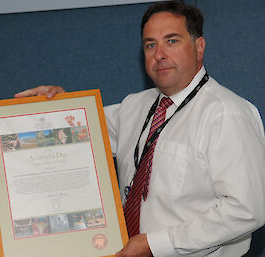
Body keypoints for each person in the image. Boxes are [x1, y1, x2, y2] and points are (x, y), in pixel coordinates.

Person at [15, 1, 265, 256]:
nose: (160, 54)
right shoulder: (134, 107)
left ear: (199, 48)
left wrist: (155, 244)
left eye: (172, 41)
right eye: (150, 44)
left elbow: (247, 209)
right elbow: (78, 130)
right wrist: (53, 105)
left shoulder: (227, 114)